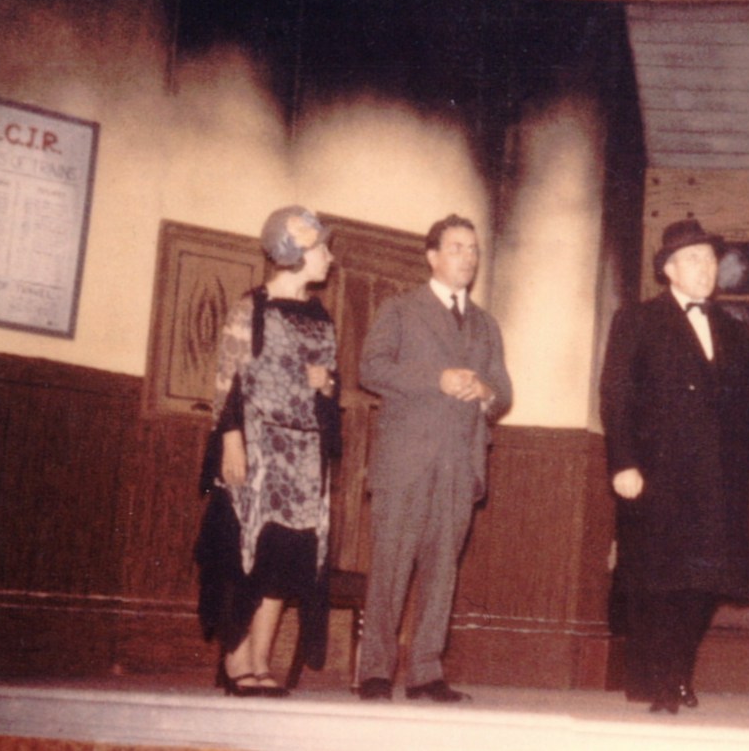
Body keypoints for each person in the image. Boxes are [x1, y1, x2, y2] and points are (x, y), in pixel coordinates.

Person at [600, 218, 749, 715]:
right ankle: (662, 679)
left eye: (710, 259)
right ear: (668, 269)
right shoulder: (637, 319)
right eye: (693, 259)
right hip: (659, 474)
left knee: (708, 583)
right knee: (661, 581)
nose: (706, 268)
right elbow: (616, 395)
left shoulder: (733, 330)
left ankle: (676, 672)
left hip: (719, 479)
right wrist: (622, 462)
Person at [356, 214, 512, 703]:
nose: (468, 257)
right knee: (390, 567)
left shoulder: (486, 324)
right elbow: (370, 368)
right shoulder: (401, 309)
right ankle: (375, 672)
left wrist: (485, 391)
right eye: (457, 247)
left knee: (443, 572)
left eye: (473, 249)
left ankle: (426, 672)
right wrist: (436, 379)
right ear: (432, 256)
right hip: (406, 461)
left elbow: (503, 393)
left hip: (460, 463)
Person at [196, 205, 340, 697]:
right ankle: (235, 660)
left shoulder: (321, 316)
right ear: (294, 251)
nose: (329, 257)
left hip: (303, 458)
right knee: (246, 553)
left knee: (285, 558)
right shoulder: (251, 307)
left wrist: (325, 385)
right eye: (322, 248)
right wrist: (230, 440)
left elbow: (328, 385)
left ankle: (261, 660)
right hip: (258, 452)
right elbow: (227, 381)